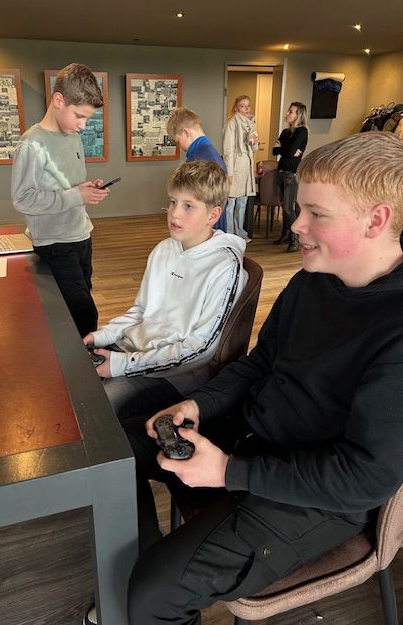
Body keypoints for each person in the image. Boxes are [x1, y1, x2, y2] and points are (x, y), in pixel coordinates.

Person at [124, 131, 403, 625]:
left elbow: (363, 479)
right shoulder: (310, 280)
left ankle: (141, 591)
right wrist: (200, 404)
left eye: (316, 213)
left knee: (154, 592)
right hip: (253, 439)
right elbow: (261, 362)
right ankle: (134, 573)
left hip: (317, 495)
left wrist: (229, 472)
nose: (296, 223)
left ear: (376, 220)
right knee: (119, 450)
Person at [83, 160, 248, 420]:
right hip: (133, 351)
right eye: (172, 202)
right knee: (72, 381)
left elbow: (201, 349)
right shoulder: (164, 249)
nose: (174, 214)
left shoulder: (225, 266)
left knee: (94, 410)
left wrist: (122, 365)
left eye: (188, 206)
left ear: (213, 215)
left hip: (175, 374)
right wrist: (101, 336)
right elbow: (141, 311)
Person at [11, 63, 110, 338]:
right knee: (84, 313)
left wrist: (85, 189)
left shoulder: (73, 137)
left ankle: (81, 355)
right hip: (54, 243)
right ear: (58, 100)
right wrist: (75, 195)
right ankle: (84, 360)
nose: (83, 125)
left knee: (82, 299)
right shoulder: (31, 144)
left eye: (87, 118)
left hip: (82, 234)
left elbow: (66, 186)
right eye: (79, 116)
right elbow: (22, 199)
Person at [167, 107, 227, 232]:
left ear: (186, 132)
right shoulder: (211, 153)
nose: (180, 147)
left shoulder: (199, 160)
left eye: (178, 141)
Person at [273, 101, 309, 252]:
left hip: (291, 173)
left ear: (298, 115)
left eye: (291, 112)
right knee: (284, 206)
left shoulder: (302, 131)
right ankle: (286, 234)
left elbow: (287, 151)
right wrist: (287, 150)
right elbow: (275, 151)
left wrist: (284, 148)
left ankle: (294, 239)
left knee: (288, 208)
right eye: (288, 111)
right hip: (281, 170)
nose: (287, 113)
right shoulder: (285, 132)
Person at [222, 95, 259, 240]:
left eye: (248, 106)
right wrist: (229, 172)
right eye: (242, 106)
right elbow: (228, 150)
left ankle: (240, 232)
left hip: (246, 167)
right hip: (236, 166)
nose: (246, 109)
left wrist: (254, 141)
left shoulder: (251, 124)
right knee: (231, 202)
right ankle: (230, 233)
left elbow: (254, 149)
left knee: (242, 202)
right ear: (236, 108)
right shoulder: (232, 123)